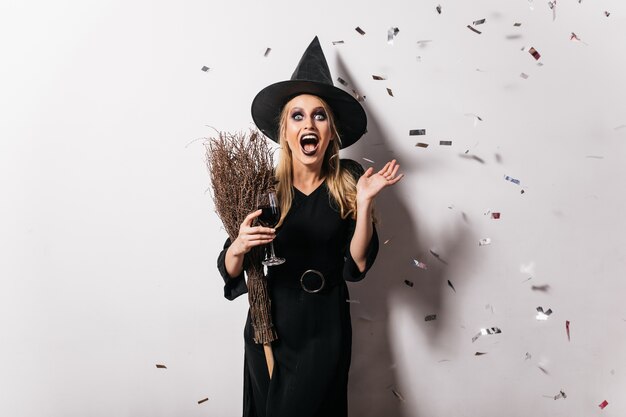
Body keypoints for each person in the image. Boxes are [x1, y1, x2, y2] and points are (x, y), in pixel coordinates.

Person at [217, 36, 403, 417]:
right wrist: (239, 245)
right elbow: (230, 270)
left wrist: (365, 203)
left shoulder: (349, 180)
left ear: (331, 131)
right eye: (297, 116)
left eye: (319, 115)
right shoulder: (260, 187)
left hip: (323, 326)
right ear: (284, 131)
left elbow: (357, 266)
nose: (309, 124)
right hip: (268, 322)